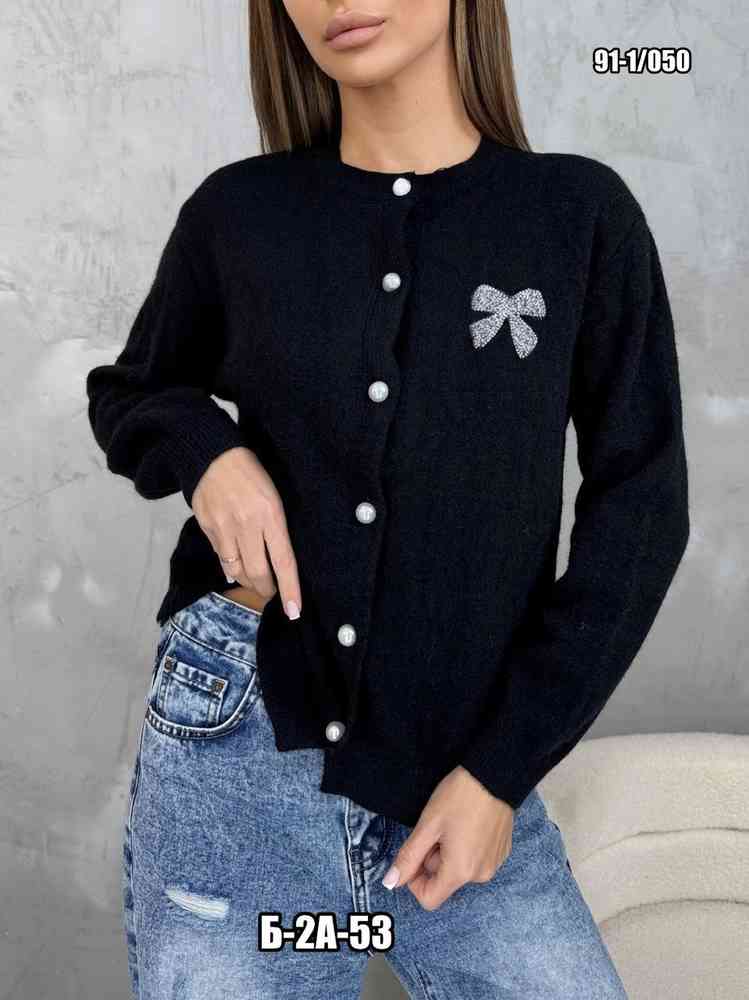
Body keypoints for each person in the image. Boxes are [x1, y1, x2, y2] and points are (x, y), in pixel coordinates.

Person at [85, 2, 689, 997]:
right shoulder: (238, 214)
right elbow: (132, 391)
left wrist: (499, 771)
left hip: (465, 769)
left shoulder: (576, 216)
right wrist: (208, 453)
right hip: (243, 751)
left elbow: (642, 506)